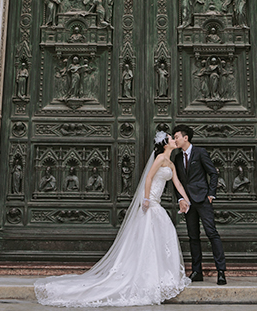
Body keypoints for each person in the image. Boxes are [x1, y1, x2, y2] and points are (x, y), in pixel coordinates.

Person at [35, 131, 192, 307]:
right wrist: (146, 199)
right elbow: (148, 178)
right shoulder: (160, 158)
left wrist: (186, 199)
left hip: (157, 204)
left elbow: (177, 183)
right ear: (165, 144)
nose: (174, 140)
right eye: (171, 138)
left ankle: (160, 277)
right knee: (148, 238)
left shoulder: (170, 163)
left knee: (161, 237)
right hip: (151, 202)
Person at [172, 124, 227, 285]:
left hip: (203, 200)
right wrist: (180, 199)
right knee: (193, 237)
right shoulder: (176, 158)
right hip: (188, 203)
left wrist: (211, 194)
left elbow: (213, 173)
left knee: (212, 233)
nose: (175, 140)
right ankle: (197, 271)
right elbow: (177, 182)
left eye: (176, 137)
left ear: (185, 137)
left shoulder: (200, 153)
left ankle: (221, 271)